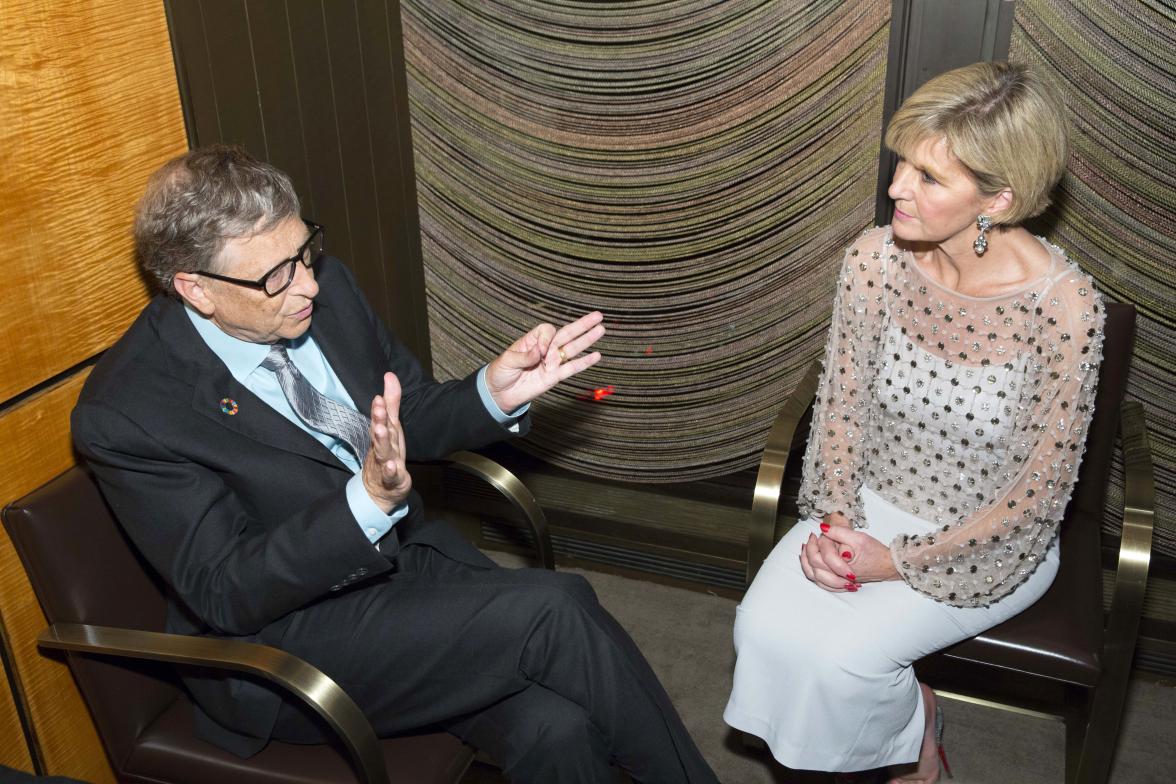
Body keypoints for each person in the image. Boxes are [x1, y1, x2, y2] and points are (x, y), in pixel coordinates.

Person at [72, 144, 719, 784]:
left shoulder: (331, 294)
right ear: (196, 289)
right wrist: (370, 502)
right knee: (555, 608)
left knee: (557, 729)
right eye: (276, 275)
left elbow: (406, 414)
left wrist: (492, 391)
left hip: (409, 575)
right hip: (288, 639)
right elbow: (226, 590)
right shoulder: (130, 410)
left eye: (305, 251)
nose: (308, 285)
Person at [724, 61, 1104, 783]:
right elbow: (838, 410)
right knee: (761, 631)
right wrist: (837, 523)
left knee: (840, 665)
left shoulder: (1064, 310)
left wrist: (893, 563)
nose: (897, 187)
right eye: (903, 163)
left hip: (986, 543)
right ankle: (907, 721)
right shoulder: (874, 260)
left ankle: (913, 746)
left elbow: (1035, 501)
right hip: (863, 508)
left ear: (1000, 197)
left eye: (930, 178)